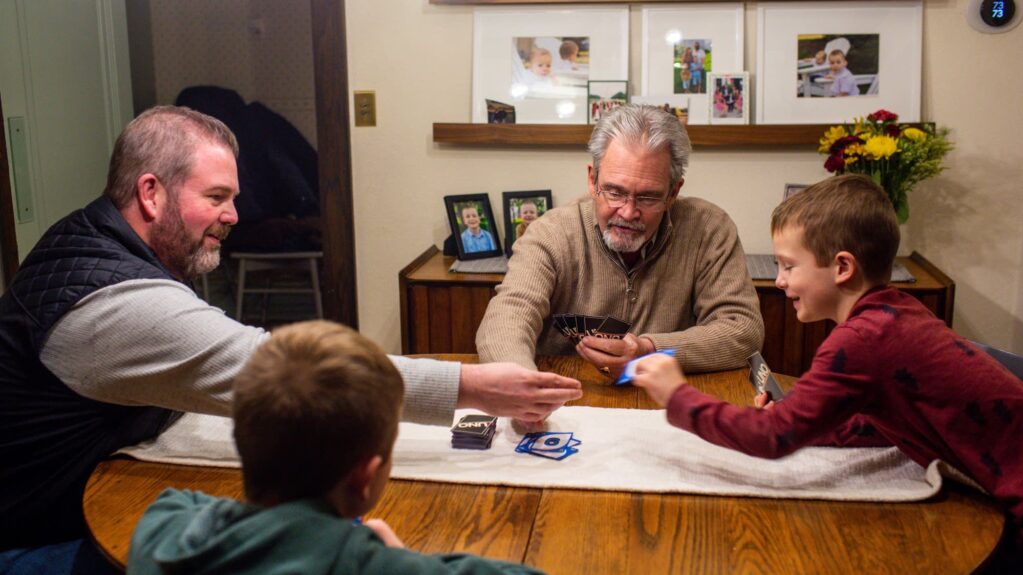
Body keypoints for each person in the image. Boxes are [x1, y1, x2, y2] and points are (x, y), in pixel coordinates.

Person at [0, 106, 581, 567]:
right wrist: (473, 386)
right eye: (216, 197)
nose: (233, 215)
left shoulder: (94, 237)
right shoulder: (111, 301)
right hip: (45, 541)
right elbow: (273, 366)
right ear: (151, 193)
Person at [631, 174, 1023, 567]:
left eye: (788, 266)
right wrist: (803, 420)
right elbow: (878, 421)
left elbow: (771, 439)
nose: (780, 281)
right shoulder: (895, 314)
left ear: (842, 267)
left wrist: (677, 395)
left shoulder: (862, 340)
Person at [128, 321, 545, 575]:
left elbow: (179, 505)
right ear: (366, 477)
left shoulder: (163, 531)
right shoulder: (371, 566)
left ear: (242, 441)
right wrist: (397, 557)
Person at [476, 104, 764, 378]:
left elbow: (743, 330)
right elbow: (506, 321)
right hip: (566, 402)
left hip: (668, 402)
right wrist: (521, 385)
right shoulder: (550, 234)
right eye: (614, 192)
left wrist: (648, 350)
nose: (628, 212)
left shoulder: (709, 229)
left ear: (673, 192)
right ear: (592, 180)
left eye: (648, 197)